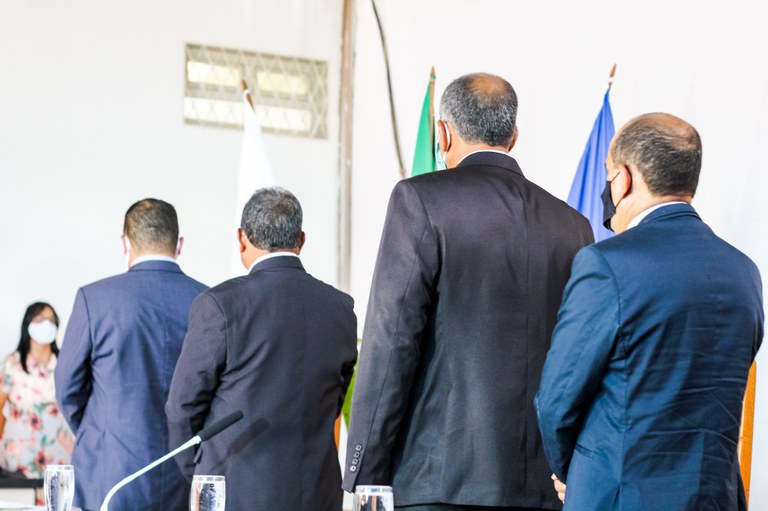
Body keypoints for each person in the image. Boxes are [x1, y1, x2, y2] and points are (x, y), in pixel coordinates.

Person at [343, 73, 594, 511]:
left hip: (438, 484)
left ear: (442, 134)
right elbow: (579, 358)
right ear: (513, 137)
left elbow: (392, 338)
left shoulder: (420, 200)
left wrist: (364, 475)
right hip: (544, 489)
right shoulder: (574, 225)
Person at [535, 113, 764, 510]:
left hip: (618, 498)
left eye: (608, 176)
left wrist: (579, 477)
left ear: (623, 179)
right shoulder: (744, 272)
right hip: (716, 499)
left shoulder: (605, 264)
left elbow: (557, 400)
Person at [165, 187, 357, 511]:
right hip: (316, 494)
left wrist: (201, 475)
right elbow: (333, 401)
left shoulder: (220, 305)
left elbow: (182, 407)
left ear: (241, 239)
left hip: (235, 492)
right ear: (301, 240)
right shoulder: (341, 308)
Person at [55, 198, 207, 511]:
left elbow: (67, 388)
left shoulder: (94, 299)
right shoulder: (208, 300)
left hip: (109, 472)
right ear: (179, 243)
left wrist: (101, 431)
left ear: (124, 243)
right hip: (183, 476)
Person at [0, 302, 73, 478]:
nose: (45, 324)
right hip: (19, 459)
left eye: (50, 320)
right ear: (28, 323)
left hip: (59, 458)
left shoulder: (66, 364)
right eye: (39, 319)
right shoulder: (12, 364)